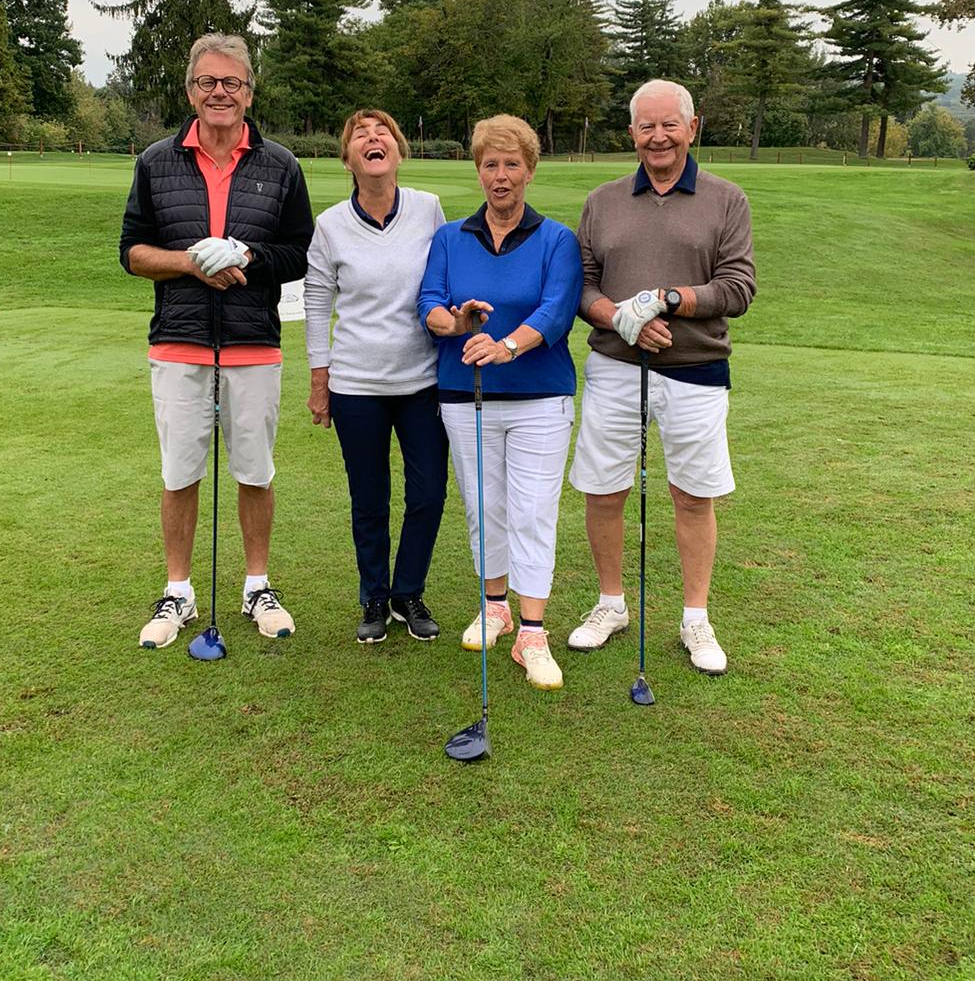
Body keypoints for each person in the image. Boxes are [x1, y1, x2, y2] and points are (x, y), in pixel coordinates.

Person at [119, 32, 314, 649]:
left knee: (254, 470)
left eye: (232, 82)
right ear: (191, 91)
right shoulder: (156, 161)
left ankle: (257, 586)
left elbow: (299, 253)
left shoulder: (280, 165)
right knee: (180, 472)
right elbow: (132, 252)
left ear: (249, 92)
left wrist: (247, 256)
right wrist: (191, 263)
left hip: (253, 343)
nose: (220, 92)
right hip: (179, 341)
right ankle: (178, 591)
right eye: (208, 82)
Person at [567, 79, 756, 673]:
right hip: (616, 365)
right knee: (604, 489)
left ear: (692, 128)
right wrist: (622, 319)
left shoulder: (727, 199)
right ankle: (611, 604)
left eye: (669, 124)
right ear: (632, 134)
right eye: (646, 126)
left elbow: (737, 287)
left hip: (696, 369)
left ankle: (696, 618)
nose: (658, 136)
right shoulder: (602, 201)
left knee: (693, 495)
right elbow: (583, 285)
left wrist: (670, 300)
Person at [418, 114, 583, 691]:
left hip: (540, 397)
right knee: (483, 506)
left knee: (532, 510)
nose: (501, 175)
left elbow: (557, 310)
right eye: (491, 164)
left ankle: (532, 631)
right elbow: (429, 303)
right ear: (479, 171)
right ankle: (495, 607)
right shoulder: (449, 237)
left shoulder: (557, 240)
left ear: (530, 171)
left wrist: (508, 345)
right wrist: (458, 322)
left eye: (512, 164)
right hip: (465, 395)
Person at [304, 110, 449, 645]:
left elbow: (445, 281)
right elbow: (317, 302)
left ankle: (408, 592)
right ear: (348, 159)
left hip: (422, 382)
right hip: (356, 386)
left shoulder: (429, 209)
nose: (372, 138)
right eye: (360, 135)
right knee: (369, 499)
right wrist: (319, 379)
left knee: (428, 493)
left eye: (382, 131)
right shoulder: (330, 225)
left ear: (398, 149)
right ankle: (374, 596)